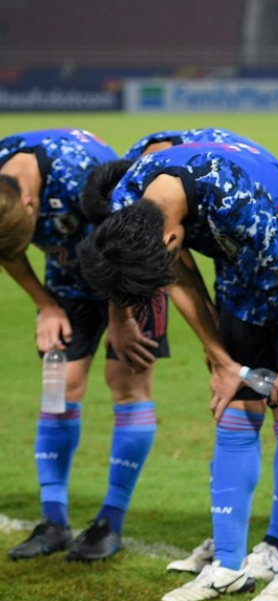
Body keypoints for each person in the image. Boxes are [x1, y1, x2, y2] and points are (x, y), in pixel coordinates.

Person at [76, 140, 278, 601]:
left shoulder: (230, 196)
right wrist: (221, 359)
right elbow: (178, 275)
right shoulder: (129, 201)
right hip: (241, 284)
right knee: (234, 413)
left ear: (169, 237)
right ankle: (228, 567)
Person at [0, 128, 168, 563]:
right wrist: (44, 305)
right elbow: (5, 245)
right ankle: (54, 521)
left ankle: (110, 522)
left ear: (33, 204)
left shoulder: (81, 172)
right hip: (66, 287)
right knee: (58, 389)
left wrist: (121, 319)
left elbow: (122, 241)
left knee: (127, 383)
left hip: (129, 278)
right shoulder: (4, 189)